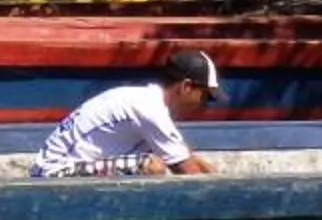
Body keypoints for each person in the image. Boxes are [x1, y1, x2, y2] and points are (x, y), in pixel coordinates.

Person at [32, 49, 224, 177]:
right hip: (52, 174)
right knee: (151, 165)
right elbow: (188, 173)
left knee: (155, 160)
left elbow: (183, 153)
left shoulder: (145, 101)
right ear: (186, 87)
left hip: (61, 169)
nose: (204, 105)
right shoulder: (150, 110)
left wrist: (215, 175)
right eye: (205, 96)